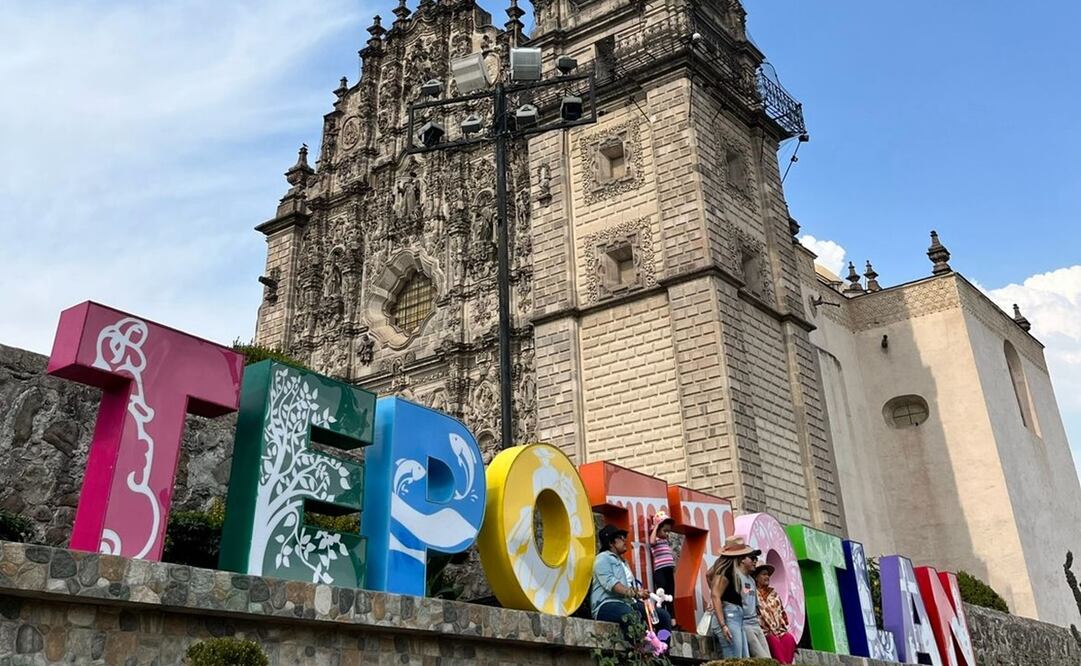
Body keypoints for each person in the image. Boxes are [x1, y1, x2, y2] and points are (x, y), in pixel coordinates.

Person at [591, 524, 673, 640]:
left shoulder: (624, 562)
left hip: (628, 603)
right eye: (620, 537)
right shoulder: (602, 559)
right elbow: (613, 584)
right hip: (607, 604)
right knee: (631, 615)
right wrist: (635, 593)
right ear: (610, 543)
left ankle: (662, 649)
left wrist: (640, 593)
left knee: (663, 616)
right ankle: (639, 652)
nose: (624, 540)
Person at [706, 536, 761, 658]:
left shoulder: (728, 568)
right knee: (735, 659)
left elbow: (708, 575)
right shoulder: (725, 571)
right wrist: (723, 625)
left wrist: (719, 599)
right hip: (728, 617)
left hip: (736, 616)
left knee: (743, 659)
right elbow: (715, 595)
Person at [754, 564, 798, 664]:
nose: (767, 577)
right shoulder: (752, 593)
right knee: (772, 640)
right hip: (764, 631)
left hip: (778, 630)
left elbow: (781, 614)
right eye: (764, 574)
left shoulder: (774, 594)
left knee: (789, 638)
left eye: (768, 575)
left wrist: (780, 629)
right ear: (756, 577)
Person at [648, 511, 676, 615]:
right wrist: (656, 526)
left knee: (670, 594)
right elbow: (651, 542)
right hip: (660, 570)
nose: (667, 533)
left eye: (669, 531)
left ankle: (673, 620)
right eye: (665, 531)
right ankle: (660, 614)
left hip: (669, 569)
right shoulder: (656, 539)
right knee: (661, 593)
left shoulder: (665, 541)